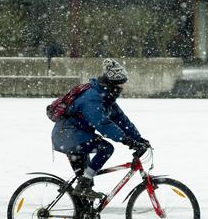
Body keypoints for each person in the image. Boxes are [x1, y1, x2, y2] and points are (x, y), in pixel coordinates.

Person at [51, 58, 151, 200]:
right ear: (111, 84)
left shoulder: (106, 98)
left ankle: (82, 215)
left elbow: (122, 120)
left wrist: (138, 139)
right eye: (120, 84)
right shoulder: (92, 97)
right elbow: (102, 124)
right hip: (67, 135)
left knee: (85, 186)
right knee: (106, 149)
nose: (122, 88)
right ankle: (83, 185)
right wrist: (125, 140)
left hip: (77, 136)